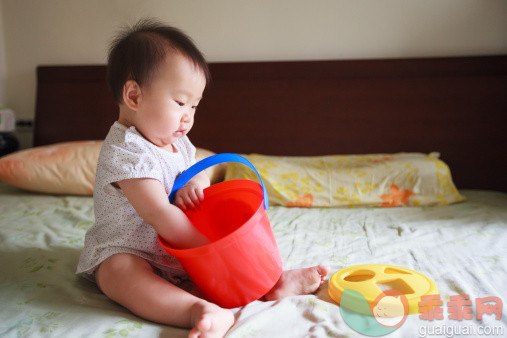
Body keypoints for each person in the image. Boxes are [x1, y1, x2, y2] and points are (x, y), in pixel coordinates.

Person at [76, 18, 330, 338]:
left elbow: (200, 170)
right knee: (117, 275)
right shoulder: (127, 152)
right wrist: (210, 248)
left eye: (194, 105)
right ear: (134, 96)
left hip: (181, 252)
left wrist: (197, 184)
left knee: (238, 243)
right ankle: (197, 311)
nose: (188, 116)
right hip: (132, 251)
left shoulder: (177, 141)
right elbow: (159, 213)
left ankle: (272, 284)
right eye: (180, 102)